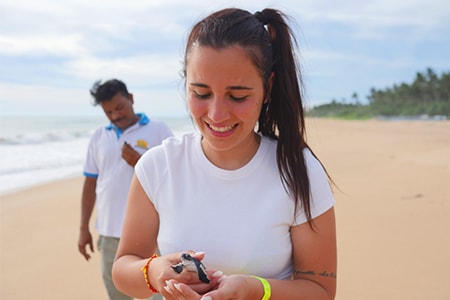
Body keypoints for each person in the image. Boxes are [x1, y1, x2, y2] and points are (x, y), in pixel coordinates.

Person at [112, 8, 337, 300]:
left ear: (267, 88)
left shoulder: (299, 171)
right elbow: (123, 268)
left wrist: (256, 290)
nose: (217, 114)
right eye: (201, 93)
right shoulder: (157, 166)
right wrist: (154, 272)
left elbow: (320, 290)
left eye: (238, 96)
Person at [78, 79, 172, 300]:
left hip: (152, 235)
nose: (115, 116)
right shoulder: (99, 136)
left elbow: (176, 179)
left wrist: (139, 161)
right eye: (108, 112)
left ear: (131, 98)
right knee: (117, 295)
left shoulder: (159, 130)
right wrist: (83, 228)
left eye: (119, 107)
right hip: (109, 235)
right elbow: (90, 183)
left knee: (158, 295)